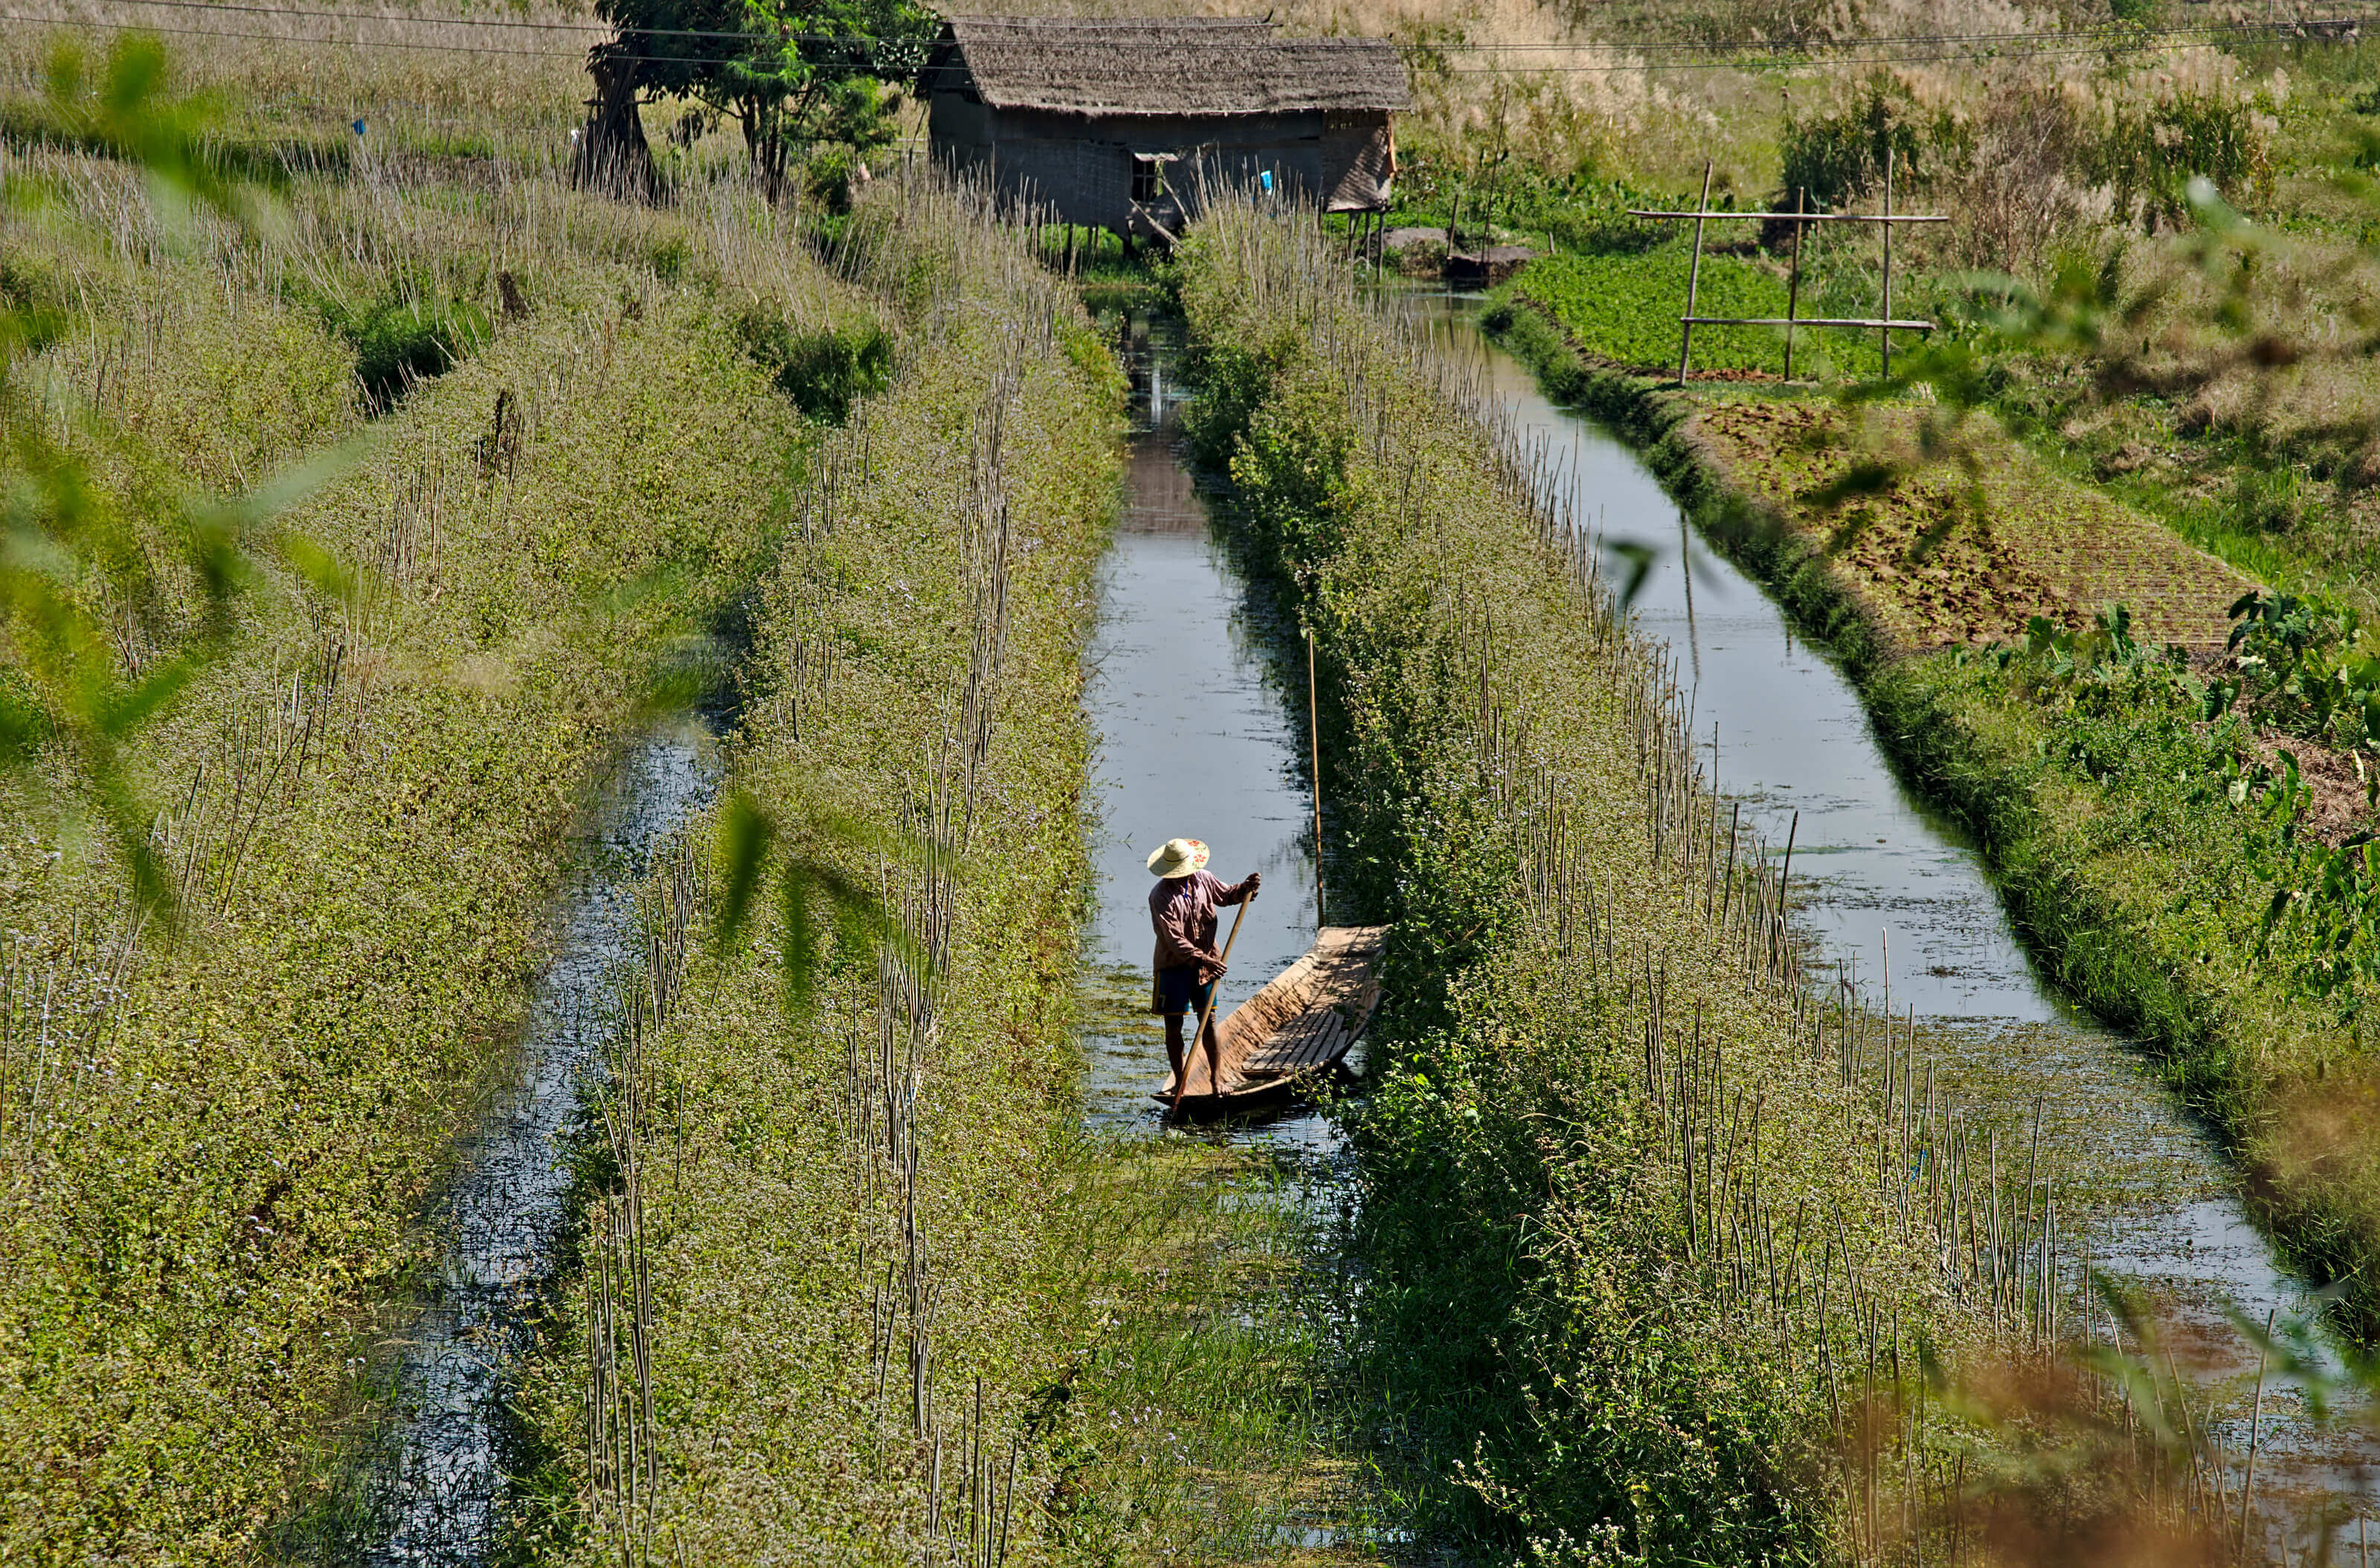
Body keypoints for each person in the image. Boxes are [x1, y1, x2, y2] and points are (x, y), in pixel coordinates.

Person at [1146, 837, 1259, 1105]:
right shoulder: (1160, 896)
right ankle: (1179, 1082)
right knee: (1174, 1026)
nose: (1186, 874)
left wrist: (1246, 888)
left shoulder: (1203, 879)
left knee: (1208, 1021)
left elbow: (1227, 895)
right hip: (1173, 966)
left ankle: (1216, 1079)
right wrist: (1204, 959)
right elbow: (1174, 941)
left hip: (1206, 967)